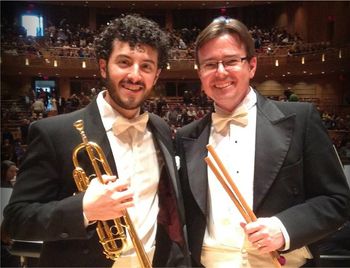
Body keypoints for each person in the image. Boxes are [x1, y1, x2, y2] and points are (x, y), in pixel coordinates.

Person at [3, 14, 190, 267]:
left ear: (156, 75)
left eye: (146, 66)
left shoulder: (160, 128)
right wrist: (84, 209)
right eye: (124, 62)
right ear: (103, 66)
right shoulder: (53, 133)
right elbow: (16, 220)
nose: (135, 76)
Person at [175, 17, 350, 267]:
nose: (221, 72)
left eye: (232, 61)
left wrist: (284, 228)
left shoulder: (301, 120)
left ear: (252, 65)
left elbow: (337, 201)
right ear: (200, 74)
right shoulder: (186, 137)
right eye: (210, 64)